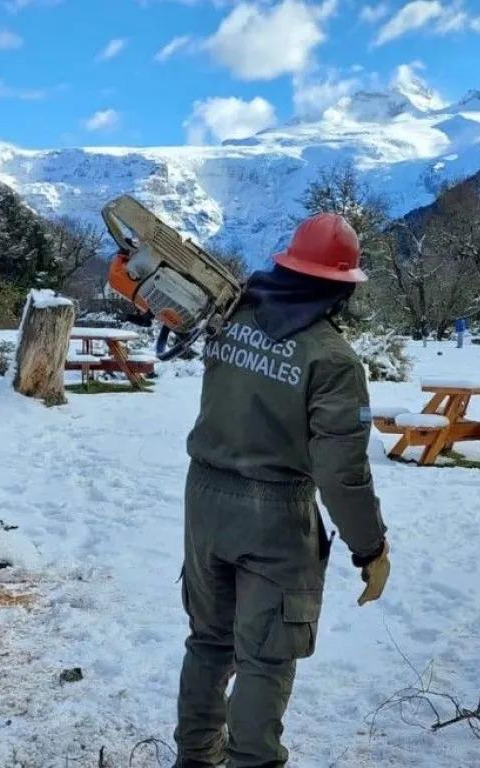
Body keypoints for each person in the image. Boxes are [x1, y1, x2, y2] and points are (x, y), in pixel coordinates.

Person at [173, 213, 390, 768]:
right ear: (340, 287)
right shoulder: (333, 360)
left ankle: (195, 759)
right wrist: (371, 547)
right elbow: (342, 472)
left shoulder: (230, 315)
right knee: (266, 658)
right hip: (273, 513)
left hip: (204, 499)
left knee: (209, 642)